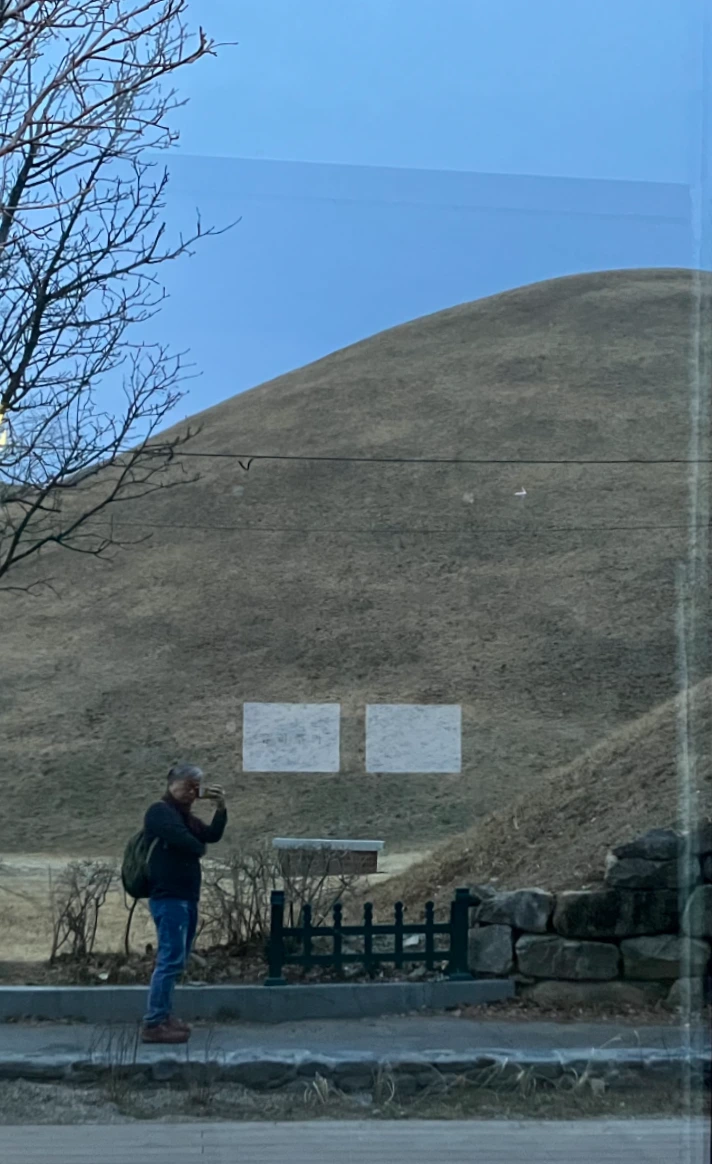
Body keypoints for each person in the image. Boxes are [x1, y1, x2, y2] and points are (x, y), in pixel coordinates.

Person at [141, 763, 227, 1044]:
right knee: (169, 960)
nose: (192, 792)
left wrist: (220, 808)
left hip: (186, 897)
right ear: (172, 784)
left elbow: (210, 836)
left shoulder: (185, 817)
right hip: (169, 897)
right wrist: (197, 845)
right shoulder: (159, 812)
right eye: (188, 786)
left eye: (196, 787)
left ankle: (164, 1016)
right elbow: (190, 843)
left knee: (177, 959)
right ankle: (154, 1022)